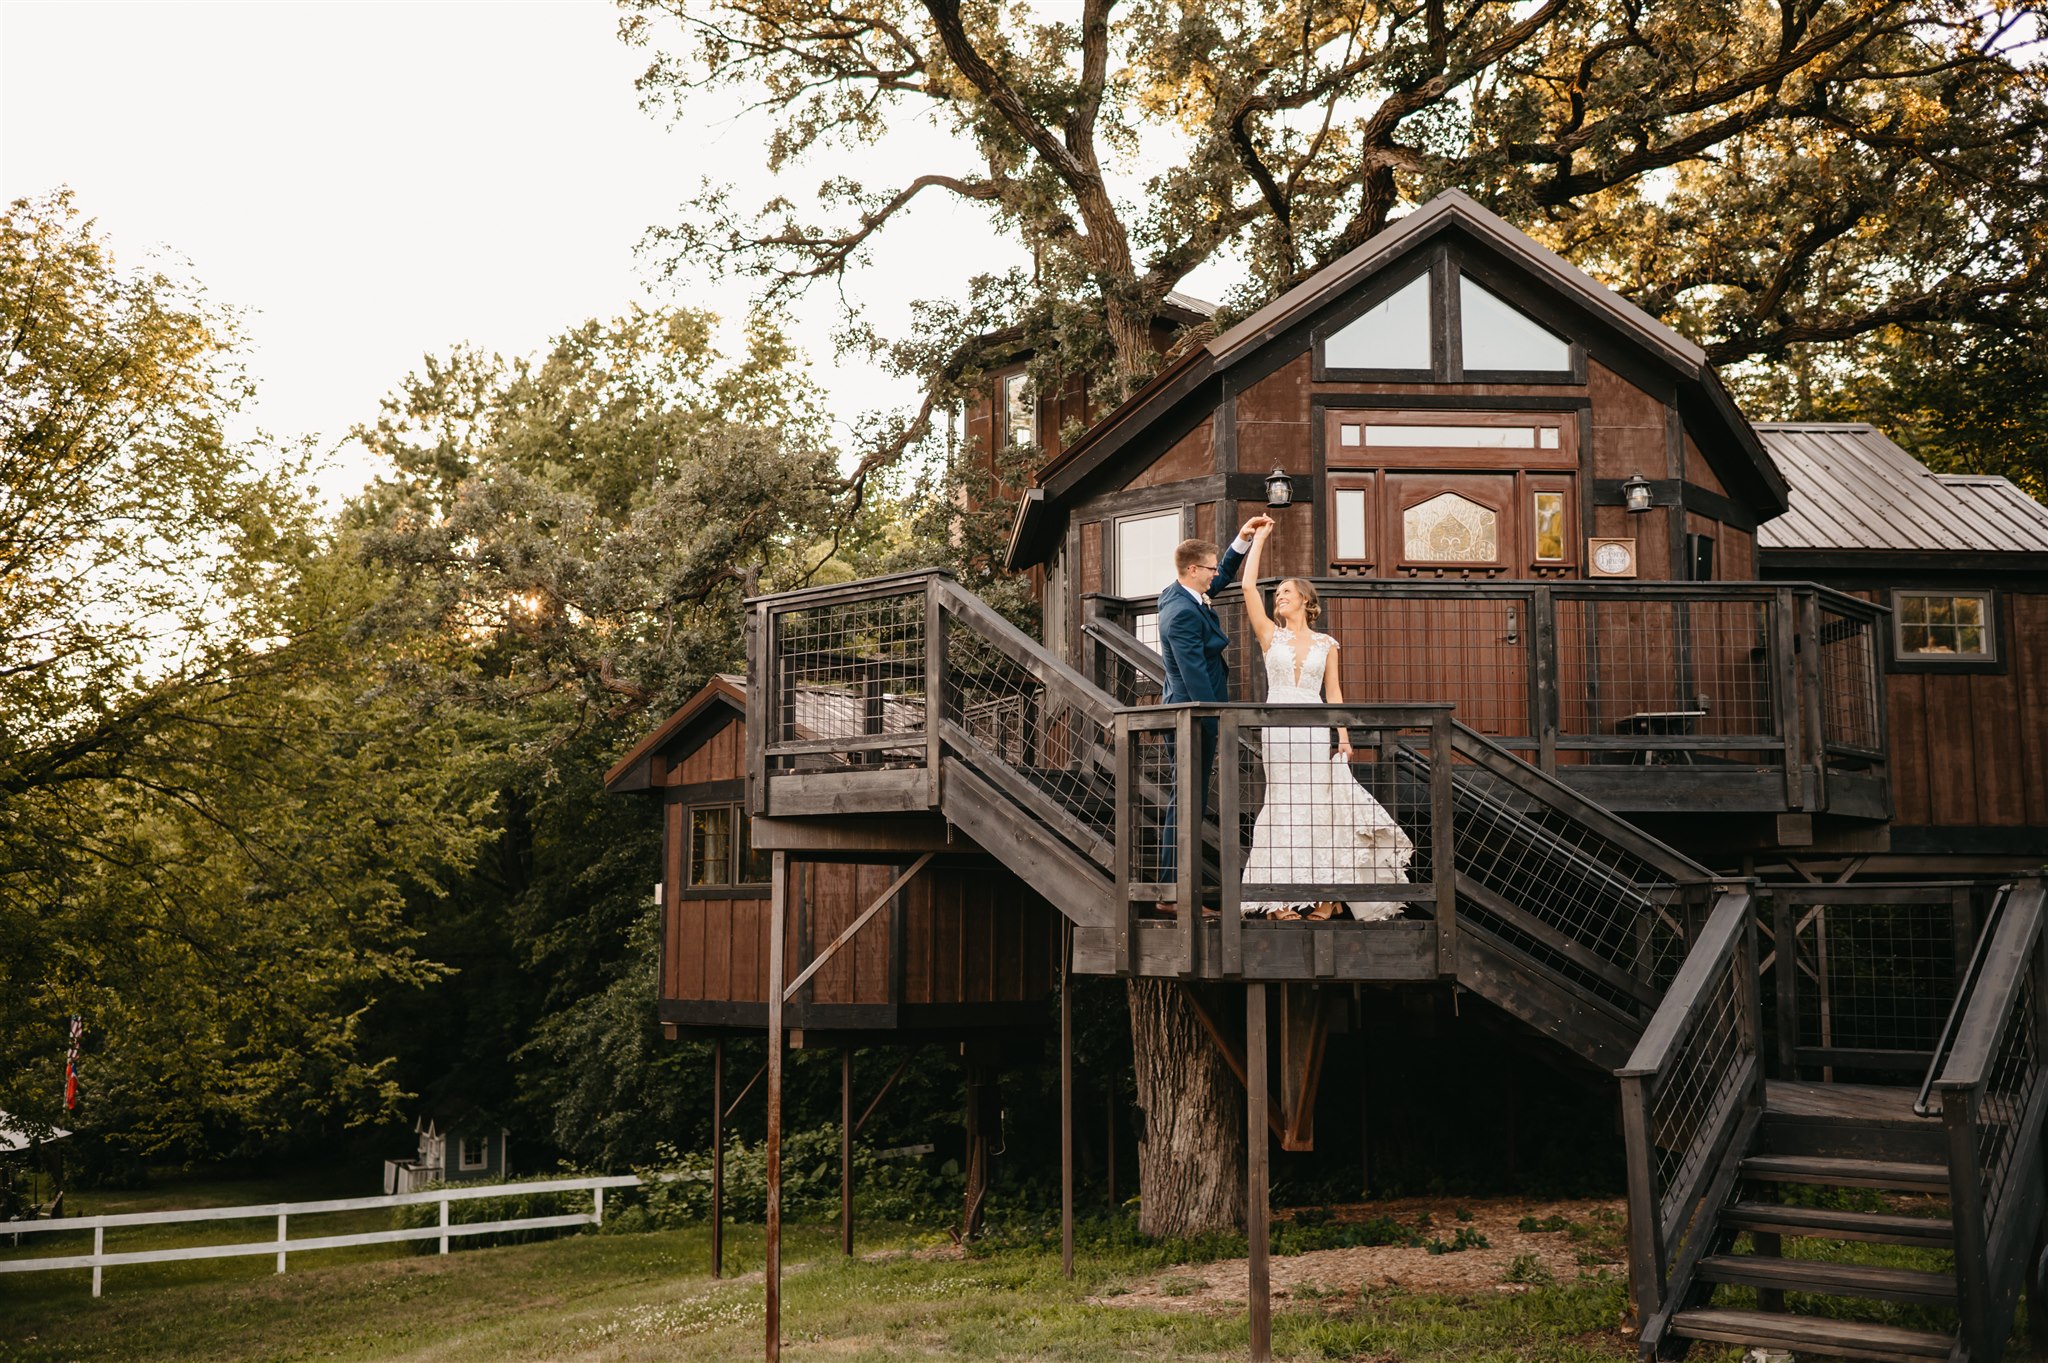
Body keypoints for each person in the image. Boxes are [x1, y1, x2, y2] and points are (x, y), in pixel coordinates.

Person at [1235, 522, 1414, 920]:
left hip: (1315, 728)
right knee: (1282, 803)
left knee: (1318, 807)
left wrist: (1344, 737)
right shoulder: (1270, 636)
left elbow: (1333, 694)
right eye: (1277, 593)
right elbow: (1248, 588)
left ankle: (1325, 896)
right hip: (1279, 727)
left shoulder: (1326, 644)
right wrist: (1258, 540)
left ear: (1304, 600)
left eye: (1285, 592)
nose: (1278, 597)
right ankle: (1278, 898)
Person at [1153, 515, 1274, 913]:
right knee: (1186, 802)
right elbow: (1194, 680)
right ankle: (1173, 893)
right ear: (1192, 569)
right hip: (1192, 718)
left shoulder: (1180, 593)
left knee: (1188, 800)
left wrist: (1241, 539)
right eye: (1208, 569)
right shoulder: (1183, 613)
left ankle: (1175, 891)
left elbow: (1221, 576)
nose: (1214, 576)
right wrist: (1217, 724)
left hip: (1190, 713)